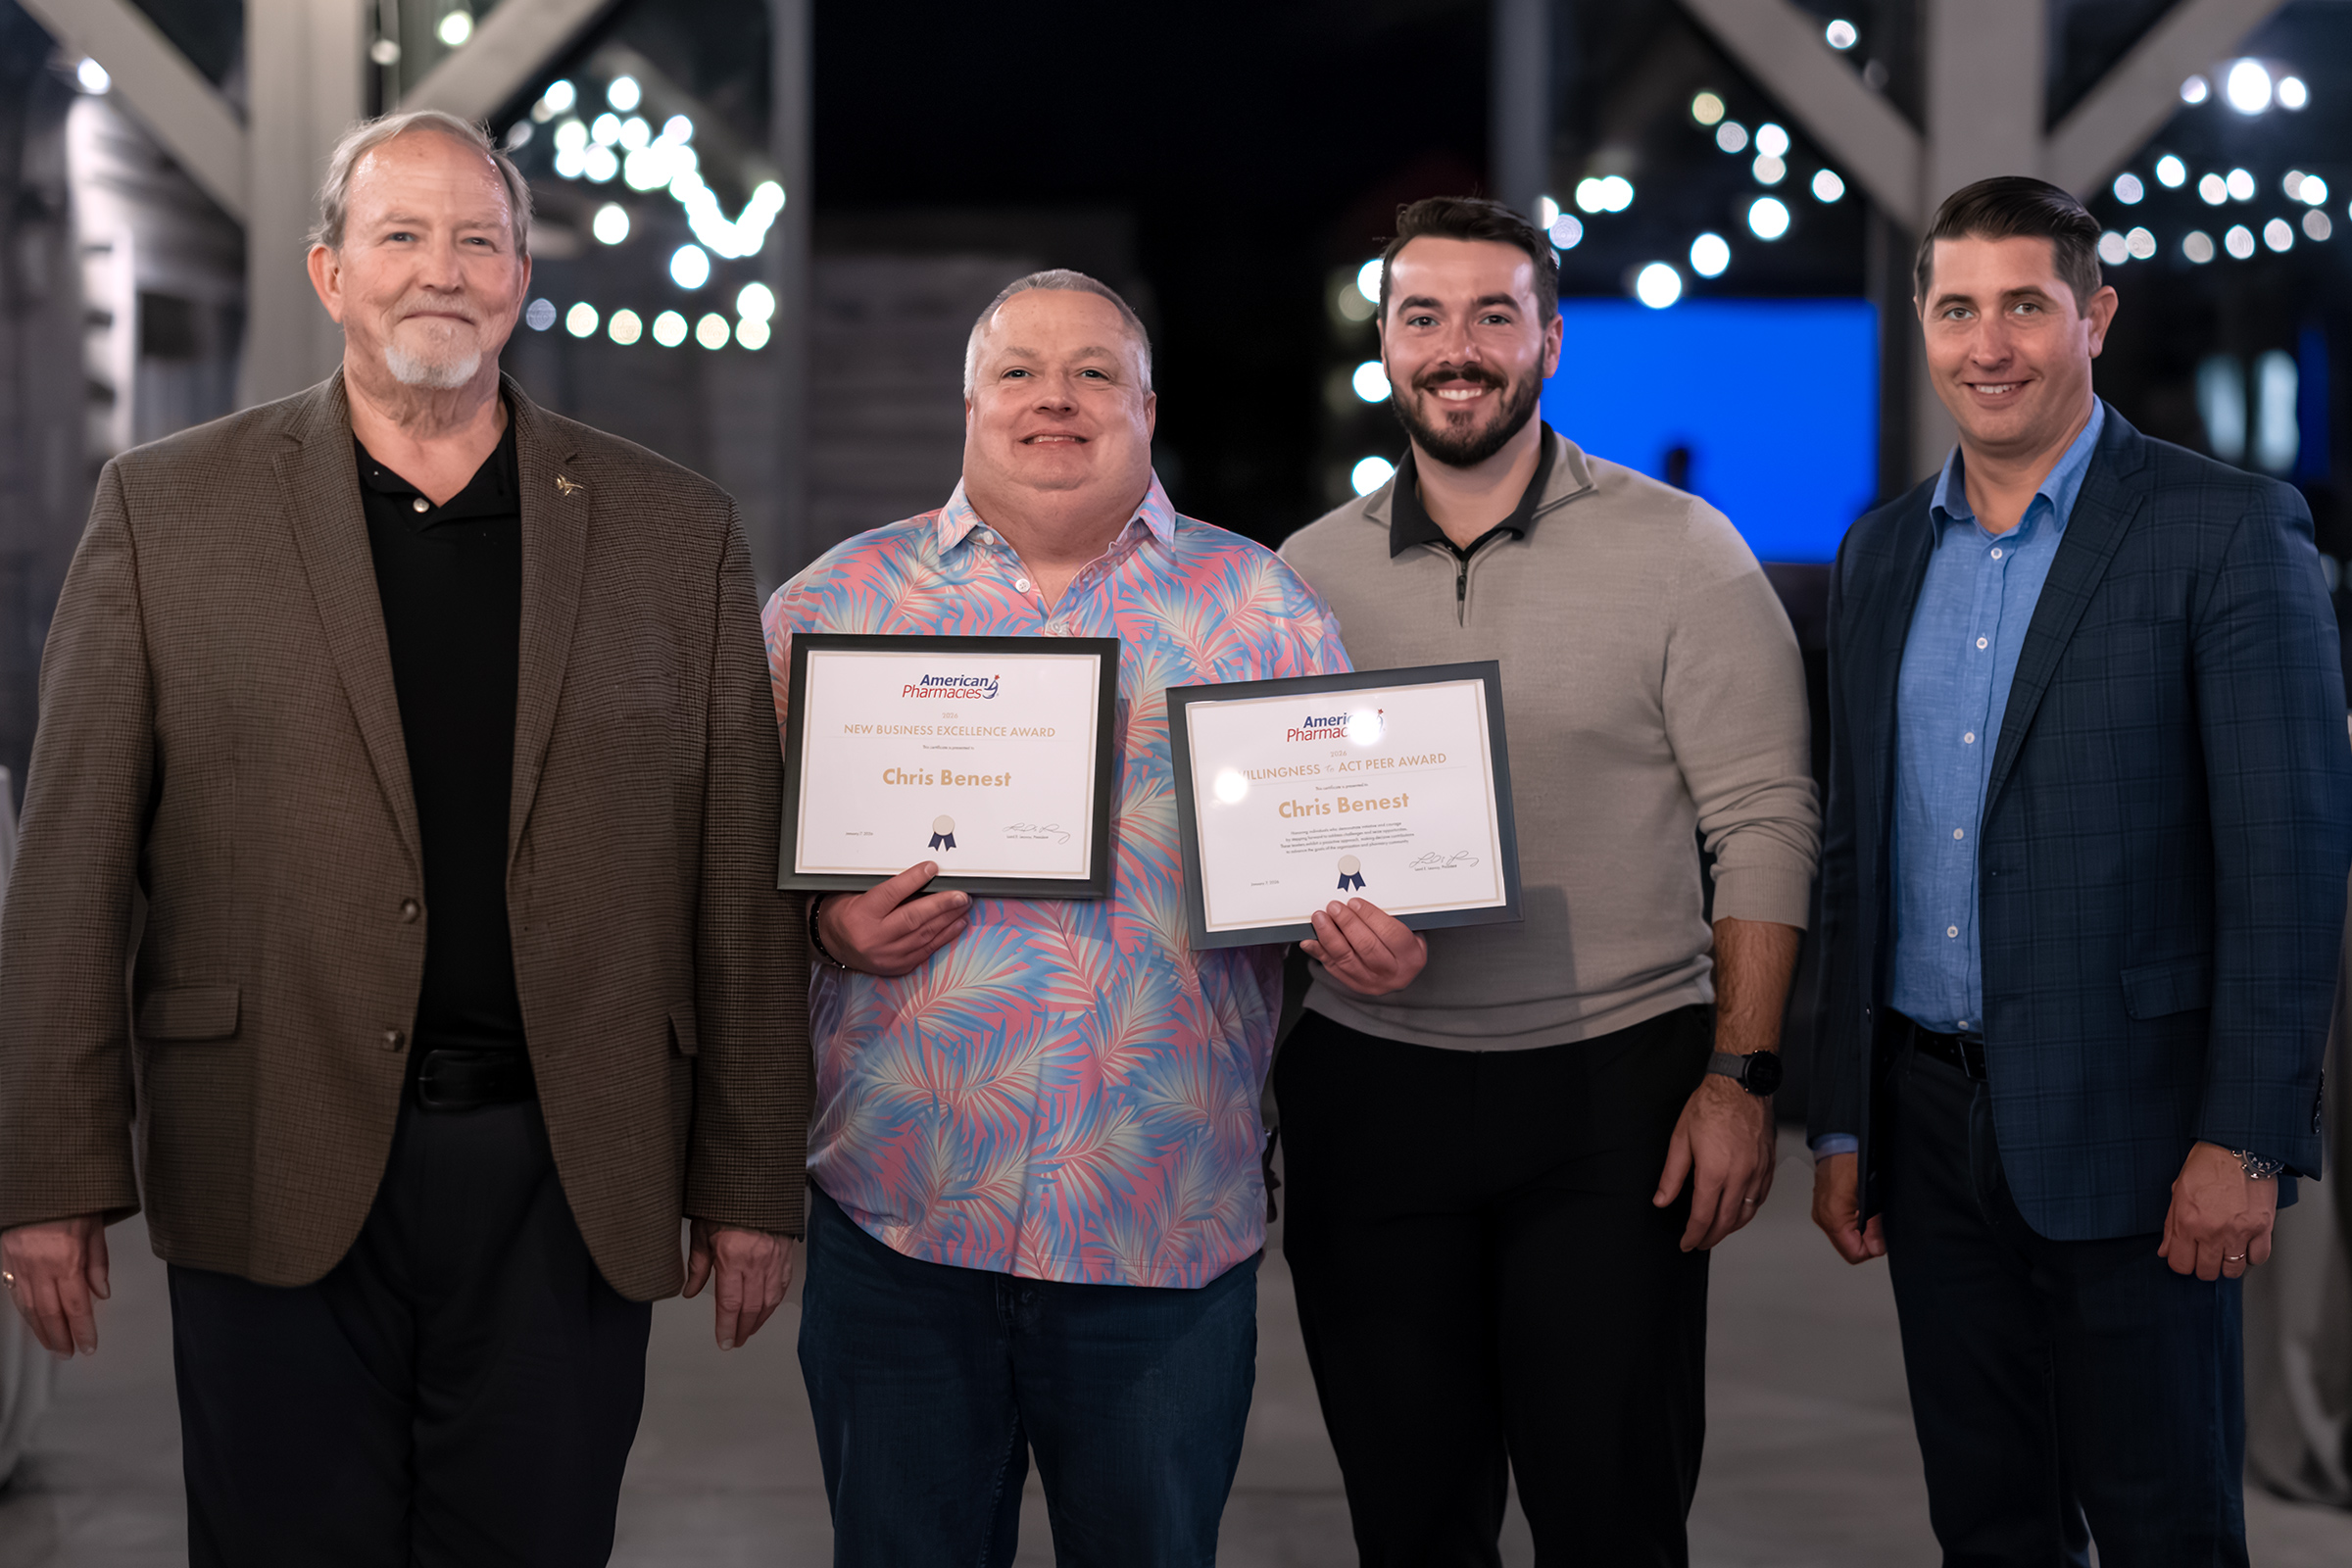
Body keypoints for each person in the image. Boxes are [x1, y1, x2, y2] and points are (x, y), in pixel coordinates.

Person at [0, 111, 808, 1566]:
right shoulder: (167, 512)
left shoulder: (672, 531)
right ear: (330, 273)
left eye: (478, 240)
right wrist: (49, 1174)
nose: (443, 269)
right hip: (266, 1142)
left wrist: (751, 1178)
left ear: (519, 280)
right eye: (401, 235)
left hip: (569, 1167)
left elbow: (737, 883)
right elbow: (70, 870)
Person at [764, 269, 1427, 1566]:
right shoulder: (834, 607)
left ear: (1147, 406)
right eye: (1018, 372)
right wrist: (823, 930)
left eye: (1092, 374)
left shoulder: (1262, 611)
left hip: (1160, 1225)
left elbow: (1344, 852)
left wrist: (1375, 938)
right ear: (970, 400)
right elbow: (730, 876)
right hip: (900, 1216)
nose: (1053, 399)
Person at [1808, 175, 2352, 1563]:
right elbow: (1857, 851)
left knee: (2169, 1530)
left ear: (2095, 317)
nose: (1988, 345)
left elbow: (2289, 863)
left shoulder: (2226, 529)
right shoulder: (1881, 551)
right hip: (1929, 1128)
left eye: (2026, 307)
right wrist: (1846, 1120)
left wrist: (2246, 1139)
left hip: (2145, 1133)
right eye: (1957, 309)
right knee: (1988, 1526)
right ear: (1924, 325)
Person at [1277, 197, 1820, 1564]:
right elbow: (1263, 838)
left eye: (1494, 315)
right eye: (1423, 317)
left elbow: (1765, 820)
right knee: (1409, 1524)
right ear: (1385, 344)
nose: (1457, 348)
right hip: (1370, 1095)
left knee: (1614, 1518)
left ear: (1553, 341)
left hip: (1614, 1095)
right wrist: (1311, 931)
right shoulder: (1301, 578)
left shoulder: (1684, 551)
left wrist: (1742, 1078)